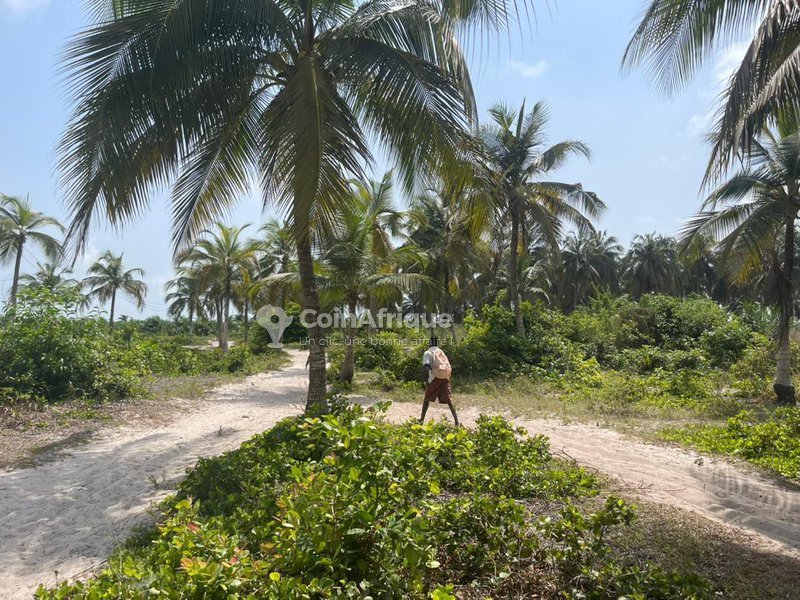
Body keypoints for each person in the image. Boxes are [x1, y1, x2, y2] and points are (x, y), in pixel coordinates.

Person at [420, 336, 460, 426]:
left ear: (429, 343)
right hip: (445, 378)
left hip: (434, 379)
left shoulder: (427, 353)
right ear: (437, 343)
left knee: (426, 399)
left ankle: (421, 420)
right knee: (449, 400)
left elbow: (426, 366)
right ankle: (457, 422)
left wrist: (426, 379)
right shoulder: (441, 352)